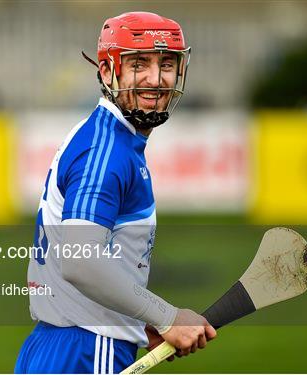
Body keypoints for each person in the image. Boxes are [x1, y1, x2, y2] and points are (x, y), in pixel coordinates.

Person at [15, 11, 216, 374]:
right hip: (87, 350)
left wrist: (138, 323)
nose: (156, 79)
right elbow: (81, 260)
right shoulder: (107, 152)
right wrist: (168, 317)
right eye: (139, 64)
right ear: (108, 72)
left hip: (66, 345)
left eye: (167, 64)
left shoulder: (111, 140)